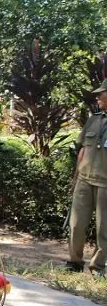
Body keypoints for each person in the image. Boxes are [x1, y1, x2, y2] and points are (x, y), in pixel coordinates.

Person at [67, 79, 107, 277]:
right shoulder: (94, 120)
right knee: (76, 224)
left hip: (105, 184)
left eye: (102, 93)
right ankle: (74, 263)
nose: (98, 97)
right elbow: (82, 150)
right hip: (84, 180)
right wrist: (76, 176)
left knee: (104, 230)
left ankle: (97, 268)